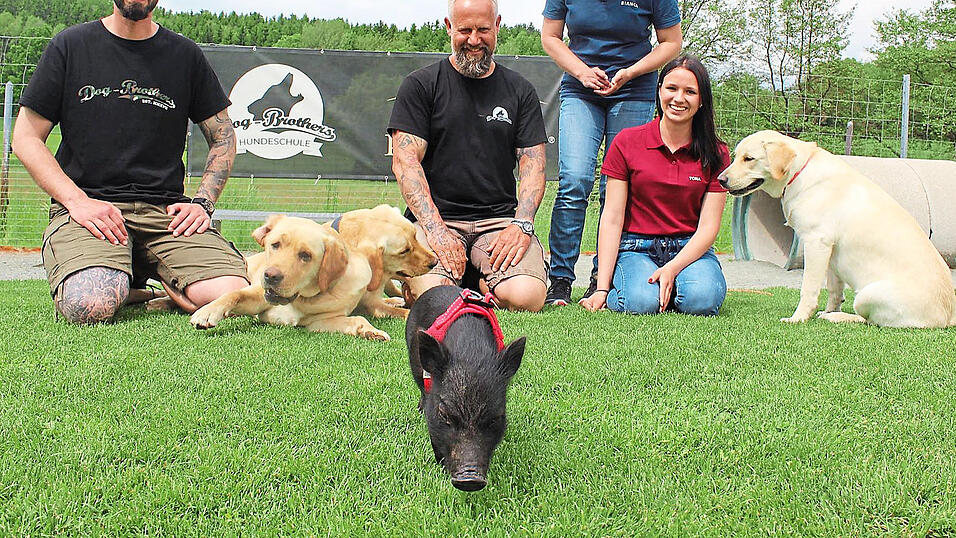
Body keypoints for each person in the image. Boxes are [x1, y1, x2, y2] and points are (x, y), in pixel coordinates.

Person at [13, 0, 248, 324]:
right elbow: (25, 137)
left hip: (166, 215)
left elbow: (223, 136)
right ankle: (133, 281)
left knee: (233, 296)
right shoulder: (70, 46)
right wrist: (77, 202)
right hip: (91, 212)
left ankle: (140, 271)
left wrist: (203, 204)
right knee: (89, 305)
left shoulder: (185, 55)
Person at [388, 0, 549, 312]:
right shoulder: (420, 85)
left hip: (498, 222)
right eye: (465, 30)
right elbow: (405, 162)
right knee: (431, 298)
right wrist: (435, 231)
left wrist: (523, 224)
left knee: (526, 297)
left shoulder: (520, 90)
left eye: (483, 30)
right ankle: (467, 281)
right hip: (438, 219)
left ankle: (478, 281)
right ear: (449, 28)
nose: (474, 40)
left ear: (497, 26)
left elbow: (534, 164)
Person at [542, 0, 682, 306]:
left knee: (616, 186)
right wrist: (581, 72)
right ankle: (561, 280)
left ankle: (601, 278)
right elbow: (550, 37)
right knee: (574, 180)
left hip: (634, 88)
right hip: (581, 88)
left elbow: (671, 42)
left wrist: (630, 72)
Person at [580, 56, 729, 316]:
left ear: (702, 100)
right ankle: (642, 288)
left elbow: (708, 228)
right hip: (636, 248)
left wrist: (673, 267)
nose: (679, 98)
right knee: (639, 304)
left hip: (689, 248)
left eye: (690, 92)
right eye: (671, 88)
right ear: (659, 90)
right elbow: (612, 218)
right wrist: (601, 289)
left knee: (702, 301)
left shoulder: (717, 152)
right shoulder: (627, 142)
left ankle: (672, 284)